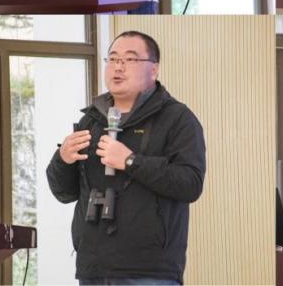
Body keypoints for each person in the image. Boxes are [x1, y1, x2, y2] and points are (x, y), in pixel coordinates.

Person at [47, 31, 205, 284]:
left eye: (130, 59)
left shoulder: (177, 119)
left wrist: (131, 161)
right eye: (112, 59)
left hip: (149, 272)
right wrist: (62, 159)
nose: (118, 67)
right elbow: (64, 193)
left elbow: (190, 184)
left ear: (154, 69)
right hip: (93, 269)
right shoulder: (91, 120)